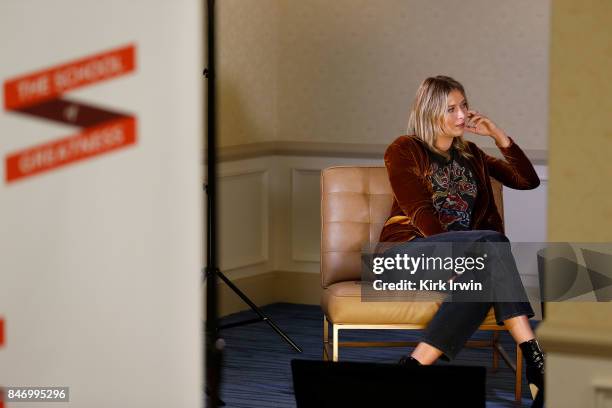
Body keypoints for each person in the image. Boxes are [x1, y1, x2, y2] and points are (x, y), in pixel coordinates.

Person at [377, 75, 545, 407]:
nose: (461, 116)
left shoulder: (470, 154)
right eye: (451, 109)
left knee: (486, 266)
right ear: (429, 112)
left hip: (471, 258)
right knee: (492, 244)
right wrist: (453, 259)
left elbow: (528, 181)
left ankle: (412, 367)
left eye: (464, 106)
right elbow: (420, 211)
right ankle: (537, 363)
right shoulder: (405, 149)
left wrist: (498, 136)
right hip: (403, 255)